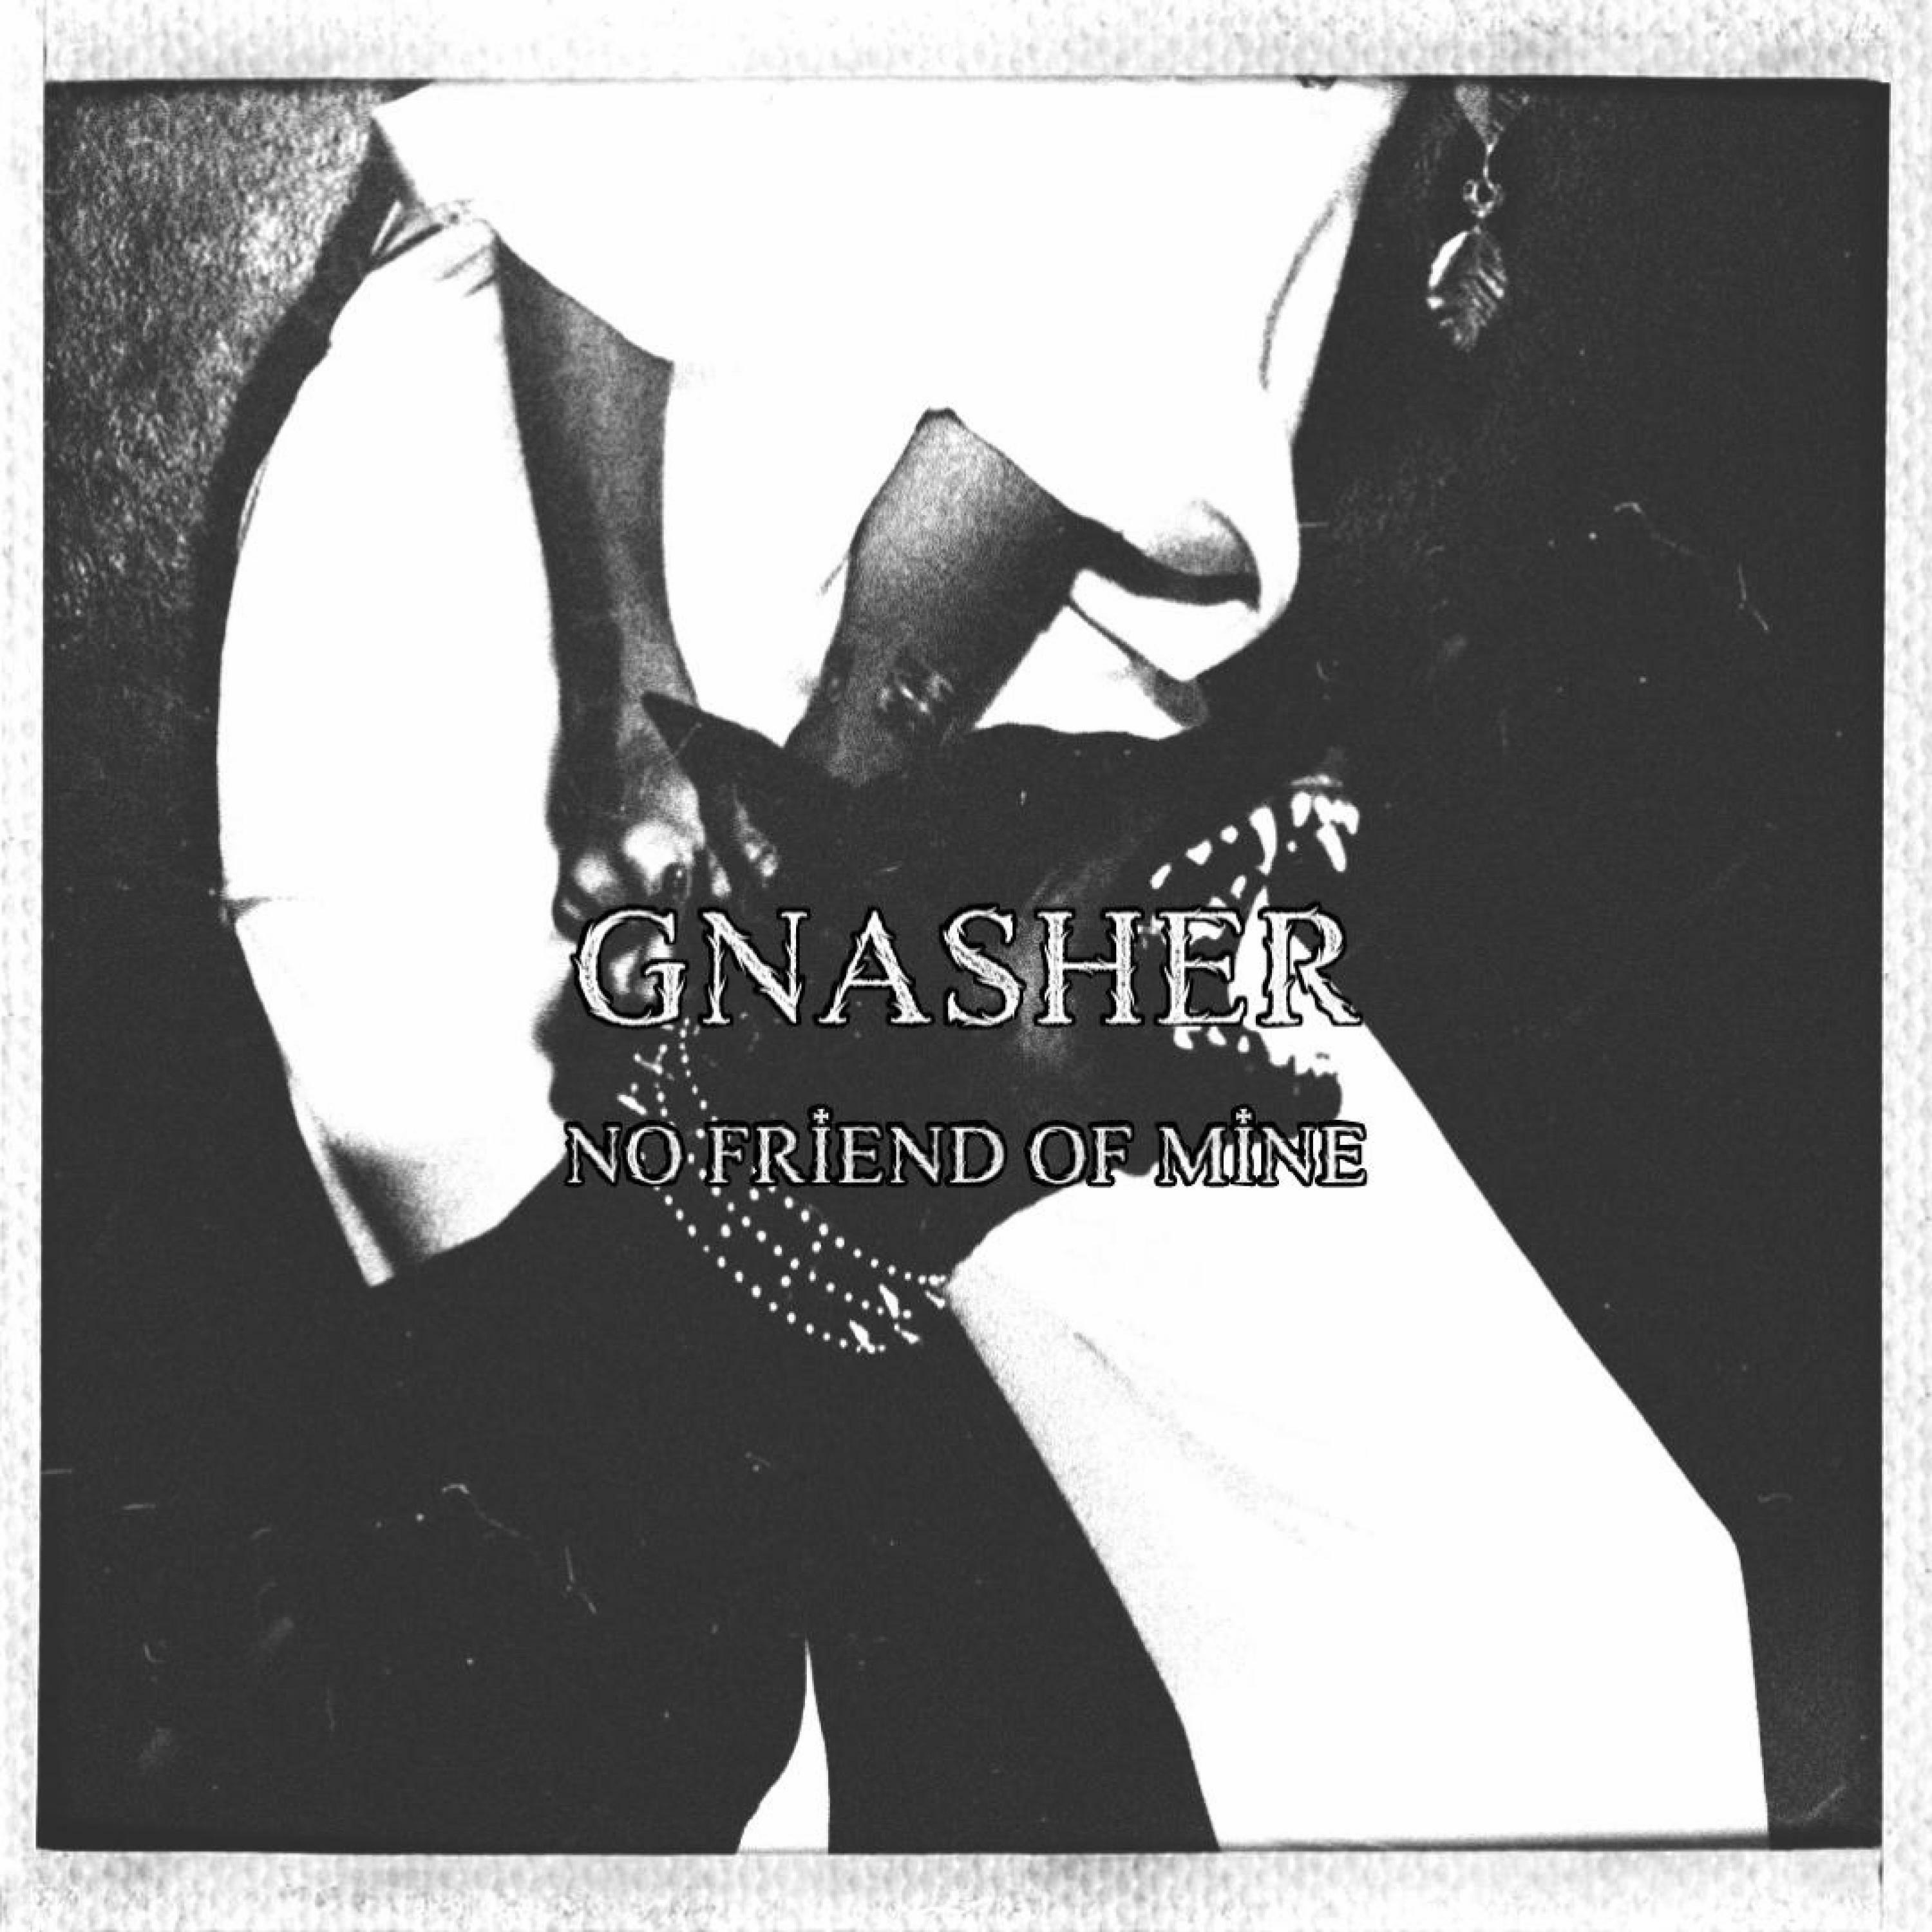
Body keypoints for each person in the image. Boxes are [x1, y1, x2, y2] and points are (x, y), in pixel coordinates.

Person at [216, 79, 1766, 1846]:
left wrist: (689, 761)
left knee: (1557, 1620)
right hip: (586, 686)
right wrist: (775, 873)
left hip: (568, 682)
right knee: (663, 1722)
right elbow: (1042, 410)